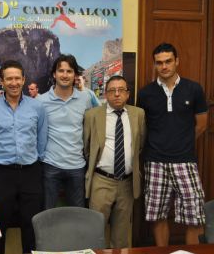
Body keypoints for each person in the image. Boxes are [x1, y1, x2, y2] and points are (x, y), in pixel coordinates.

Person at [137, 43, 208, 246]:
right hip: (155, 162)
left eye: (168, 61)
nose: (164, 66)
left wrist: (181, 142)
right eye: (159, 63)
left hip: (185, 161)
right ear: (155, 65)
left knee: (195, 216)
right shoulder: (145, 94)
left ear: (177, 61)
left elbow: (202, 125)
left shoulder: (193, 89)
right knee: (158, 215)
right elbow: (142, 128)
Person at [0, 60, 47, 254]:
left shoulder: (37, 108)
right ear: (1, 81)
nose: (14, 82)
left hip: (30, 172)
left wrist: (35, 159)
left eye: (18, 78)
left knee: (31, 223)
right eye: (9, 78)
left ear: (24, 80)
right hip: (1, 174)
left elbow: (42, 139)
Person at [83, 75, 146, 248]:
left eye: (121, 90)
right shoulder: (92, 115)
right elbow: (87, 147)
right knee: (96, 231)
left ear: (127, 94)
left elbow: (140, 145)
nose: (117, 94)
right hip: (101, 181)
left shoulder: (138, 114)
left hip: (127, 182)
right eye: (112, 91)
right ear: (105, 94)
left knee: (122, 233)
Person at [38, 54, 92, 209]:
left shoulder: (85, 99)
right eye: (61, 71)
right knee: (48, 212)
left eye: (69, 71)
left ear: (75, 75)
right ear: (54, 74)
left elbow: (89, 129)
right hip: (50, 165)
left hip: (77, 166)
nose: (65, 75)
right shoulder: (41, 101)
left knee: (77, 213)